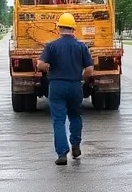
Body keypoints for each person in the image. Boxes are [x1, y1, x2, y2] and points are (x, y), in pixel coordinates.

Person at [36, 12, 94, 166]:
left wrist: (48, 68)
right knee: (75, 116)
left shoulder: (52, 46)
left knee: (59, 121)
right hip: (75, 85)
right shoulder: (81, 47)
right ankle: (75, 146)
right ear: (73, 29)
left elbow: (39, 64)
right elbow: (89, 69)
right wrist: (81, 78)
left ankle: (62, 154)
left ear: (59, 28)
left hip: (57, 86)